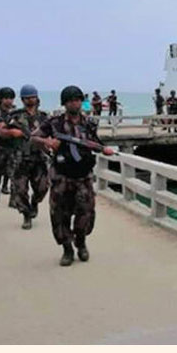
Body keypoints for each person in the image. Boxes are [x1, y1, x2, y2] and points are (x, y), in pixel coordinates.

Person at [30, 86, 113, 266]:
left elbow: (94, 142)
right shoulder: (54, 123)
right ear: (65, 103)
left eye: (77, 99)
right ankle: (67, 248)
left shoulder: (89, 123)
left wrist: (103, 148)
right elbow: (33, 138)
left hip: (83, 175)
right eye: (71, 100)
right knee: (60, 214)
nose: (75, 103)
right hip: (61, 175)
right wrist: (48, 142)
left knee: (86, 212)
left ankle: (81, 242)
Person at [2, 84, 49, 230]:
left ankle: (34, 203)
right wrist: (12, 133)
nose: (30, 100)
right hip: (20, 158)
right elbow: (2, 131)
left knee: (42, 188)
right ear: (22, 99)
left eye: (32, 97)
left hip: (39, 158)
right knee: (20, 190)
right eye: (27, 98)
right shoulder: (15, 116)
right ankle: (26, 215)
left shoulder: (44, 117)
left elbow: (52, 133)